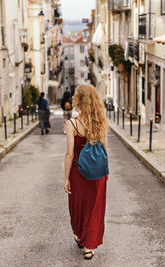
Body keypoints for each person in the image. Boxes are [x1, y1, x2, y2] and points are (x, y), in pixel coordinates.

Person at [63, 84, 108, 260]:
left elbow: (69, 153)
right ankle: (89, 245)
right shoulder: (100, 121)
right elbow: (104, 148)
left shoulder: (72, 123)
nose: (73, 98)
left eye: (75, 96)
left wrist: (66, 177)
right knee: (95, 208)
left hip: (78, 171)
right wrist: (107, 170)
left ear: (81, 100)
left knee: (79, 206)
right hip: (98, 172)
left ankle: (82, 238)